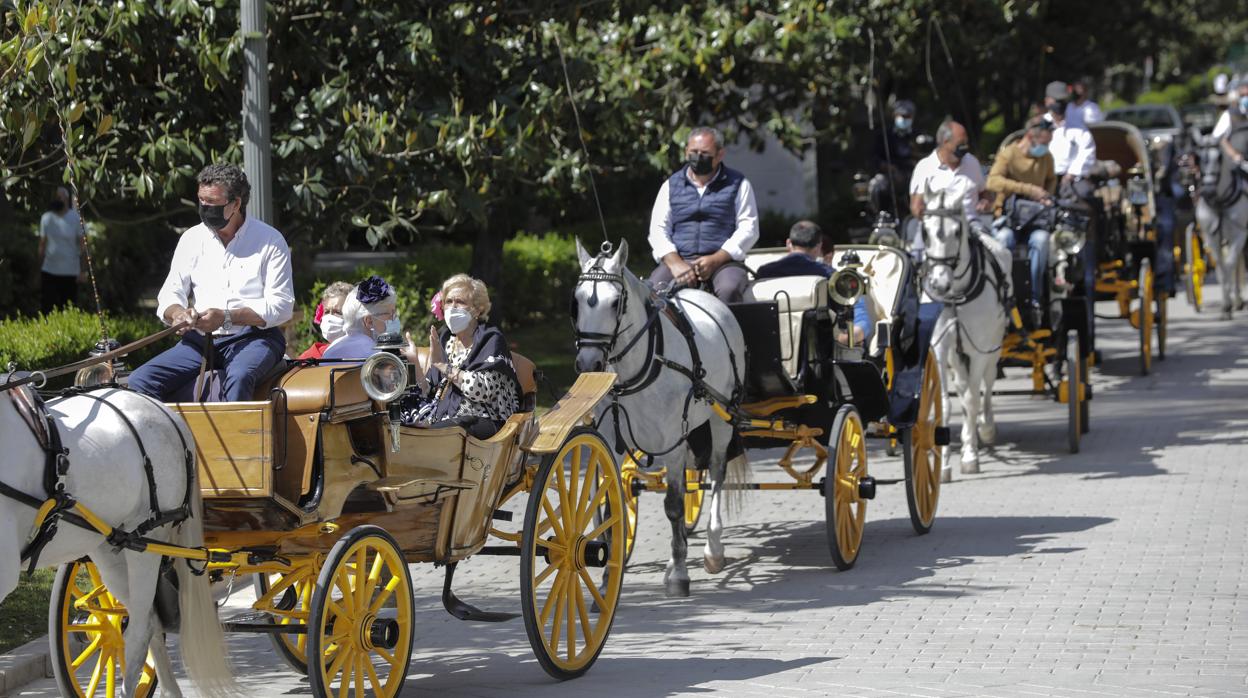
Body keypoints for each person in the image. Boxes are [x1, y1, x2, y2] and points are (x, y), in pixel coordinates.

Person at [128, 163, 294, 402]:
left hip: (255, 338)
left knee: (238, 378)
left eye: (212, 203)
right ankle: (174, 439)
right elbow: (170, 294)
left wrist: (227, 317)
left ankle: (239, 441)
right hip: (199, 342)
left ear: (236, 204)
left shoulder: (270, 240)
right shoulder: (192, 238)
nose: (204, 208)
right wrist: (177, 314)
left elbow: (282, 307)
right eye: (201, 201)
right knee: (139, 381)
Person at [648, 126, 759, 303]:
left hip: (724, 262)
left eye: (705, 152)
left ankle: (734, 331)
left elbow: (749, 228)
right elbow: (658, 229)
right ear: (686, 152)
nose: (698, 157)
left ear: (720, 154)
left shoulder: (738, 184)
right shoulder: (670, 185)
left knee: (729, 289)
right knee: (653, 291)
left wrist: (717, 259)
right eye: (694, 151)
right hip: (679, 259)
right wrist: (675, 262)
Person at [408, 274, 520, 440]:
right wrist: (414, 361)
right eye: (448, 301)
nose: (452, 307)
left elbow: (482, 391)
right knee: (399, 422)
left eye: (460, 302)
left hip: (483, 417)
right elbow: (427, 391)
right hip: (444, 415)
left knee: (434, 433)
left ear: (477, 309)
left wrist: (443, 365)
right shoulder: (445, 338)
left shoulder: (491, 339)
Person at [986, 115, 1057, 324]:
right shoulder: (1008, 155)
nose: (1046, 147)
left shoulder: (1046, 158)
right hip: (1010, 217)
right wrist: (1028, 190)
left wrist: (1047, 197)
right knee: (1004, 241)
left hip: (1036, 220)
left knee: (1041, 241)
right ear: (1030, 137)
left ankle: (1034, 300)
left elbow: (1052, 178)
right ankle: (1003, 297)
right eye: (1043, 143)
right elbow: (992, 181)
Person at [757, 221, 871, 345]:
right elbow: (861, 319)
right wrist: (846, 338)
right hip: (822, 352)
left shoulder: (764, 273)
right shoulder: (832, 277)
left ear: (788, 243)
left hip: (771, 347)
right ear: (818, 247)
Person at [321, 276, 399, 360]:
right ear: (369, 321)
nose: (394, 318)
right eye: (390, 313)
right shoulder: (376, 356)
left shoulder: (330, 350)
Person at [38, 186, 84, 313]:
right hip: (49, 271)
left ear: (66, 199)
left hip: (70, 272)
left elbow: (82, 246)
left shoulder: (75, 218)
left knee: (68, 309)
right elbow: (42, 245)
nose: (58, 200)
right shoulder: (46, 218)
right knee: (47, 308)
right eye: (56, 197)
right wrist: (39, 268)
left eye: (60, 197)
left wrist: (82, 271)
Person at [298, 281, 355, 359]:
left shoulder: (366, 353)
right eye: (327, 312)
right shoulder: (309, 357)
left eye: (337, 312)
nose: (330, 317)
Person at [1212, 79, 1248, 167]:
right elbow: (1220, 138)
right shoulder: (1229, 114)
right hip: (1238, 165)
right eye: (1243, 95)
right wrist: (1234, 155)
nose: (1246, 97)